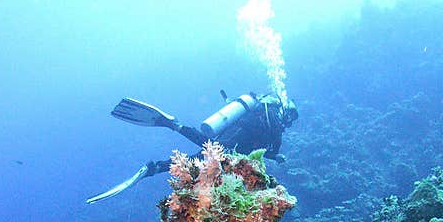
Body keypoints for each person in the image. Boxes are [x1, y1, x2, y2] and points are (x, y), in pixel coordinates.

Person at [86, 90, 298, 203]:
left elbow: (262, 146)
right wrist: (275, 156)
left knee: (195, 160)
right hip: (230, 147)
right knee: (207, 152)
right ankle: (173, 125)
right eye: (290, 119)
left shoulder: (261, 111)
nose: (288, 123)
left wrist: (272, 156)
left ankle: (154, 167)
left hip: (229, 138)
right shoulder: (275, 124)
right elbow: (269, 147)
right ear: (286, 114)